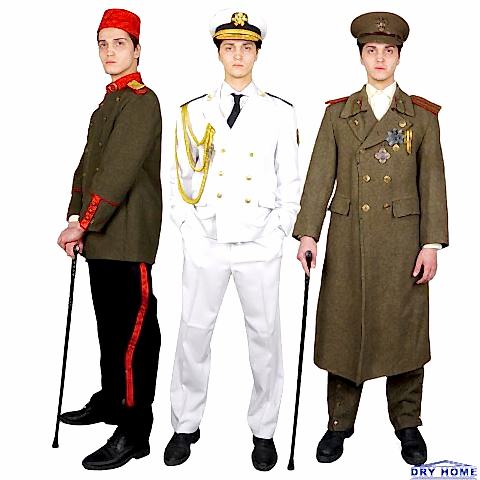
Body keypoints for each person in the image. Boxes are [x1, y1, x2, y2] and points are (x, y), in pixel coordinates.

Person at [293, 11, 448, 466]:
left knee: (405, 332)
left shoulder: (421, 117)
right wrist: (308, 233)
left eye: (389, 51)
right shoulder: (338, 114)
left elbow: (432, 182)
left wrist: (431, 244)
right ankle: (338, 422)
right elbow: (319, 177)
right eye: (372, 50)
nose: (380, 58)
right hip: (349, 239)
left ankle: (407, 423)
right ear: (361, 56)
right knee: (345, 327)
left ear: (399, 57)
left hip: (403, 241)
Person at [164, 8, 300, 471]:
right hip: (206, 238)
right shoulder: (192, 111)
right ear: (218, 53)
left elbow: (290, 182)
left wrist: (279, 231)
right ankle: (185, 424)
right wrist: (188, 229)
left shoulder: (280, 112)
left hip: (259, 242)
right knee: (193, 333)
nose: (237, 55)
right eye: (229, 47)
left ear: (257, 53)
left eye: (246, 47)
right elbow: (177, 178)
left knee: (265, 337)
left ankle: (264, 430)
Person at [56, 8, 162, 470]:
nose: (109, 52)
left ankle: (135, 430)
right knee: (109, 329)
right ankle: (112, 401)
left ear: (137, 50)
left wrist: (83, 222)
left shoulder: (141, 101)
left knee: (134, 336)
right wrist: (75, 214)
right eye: (103, 43)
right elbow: (88, 165)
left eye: (119, 43)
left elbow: (117, 172)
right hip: (101, 237)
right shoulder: (107, 104)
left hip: (128, 237)